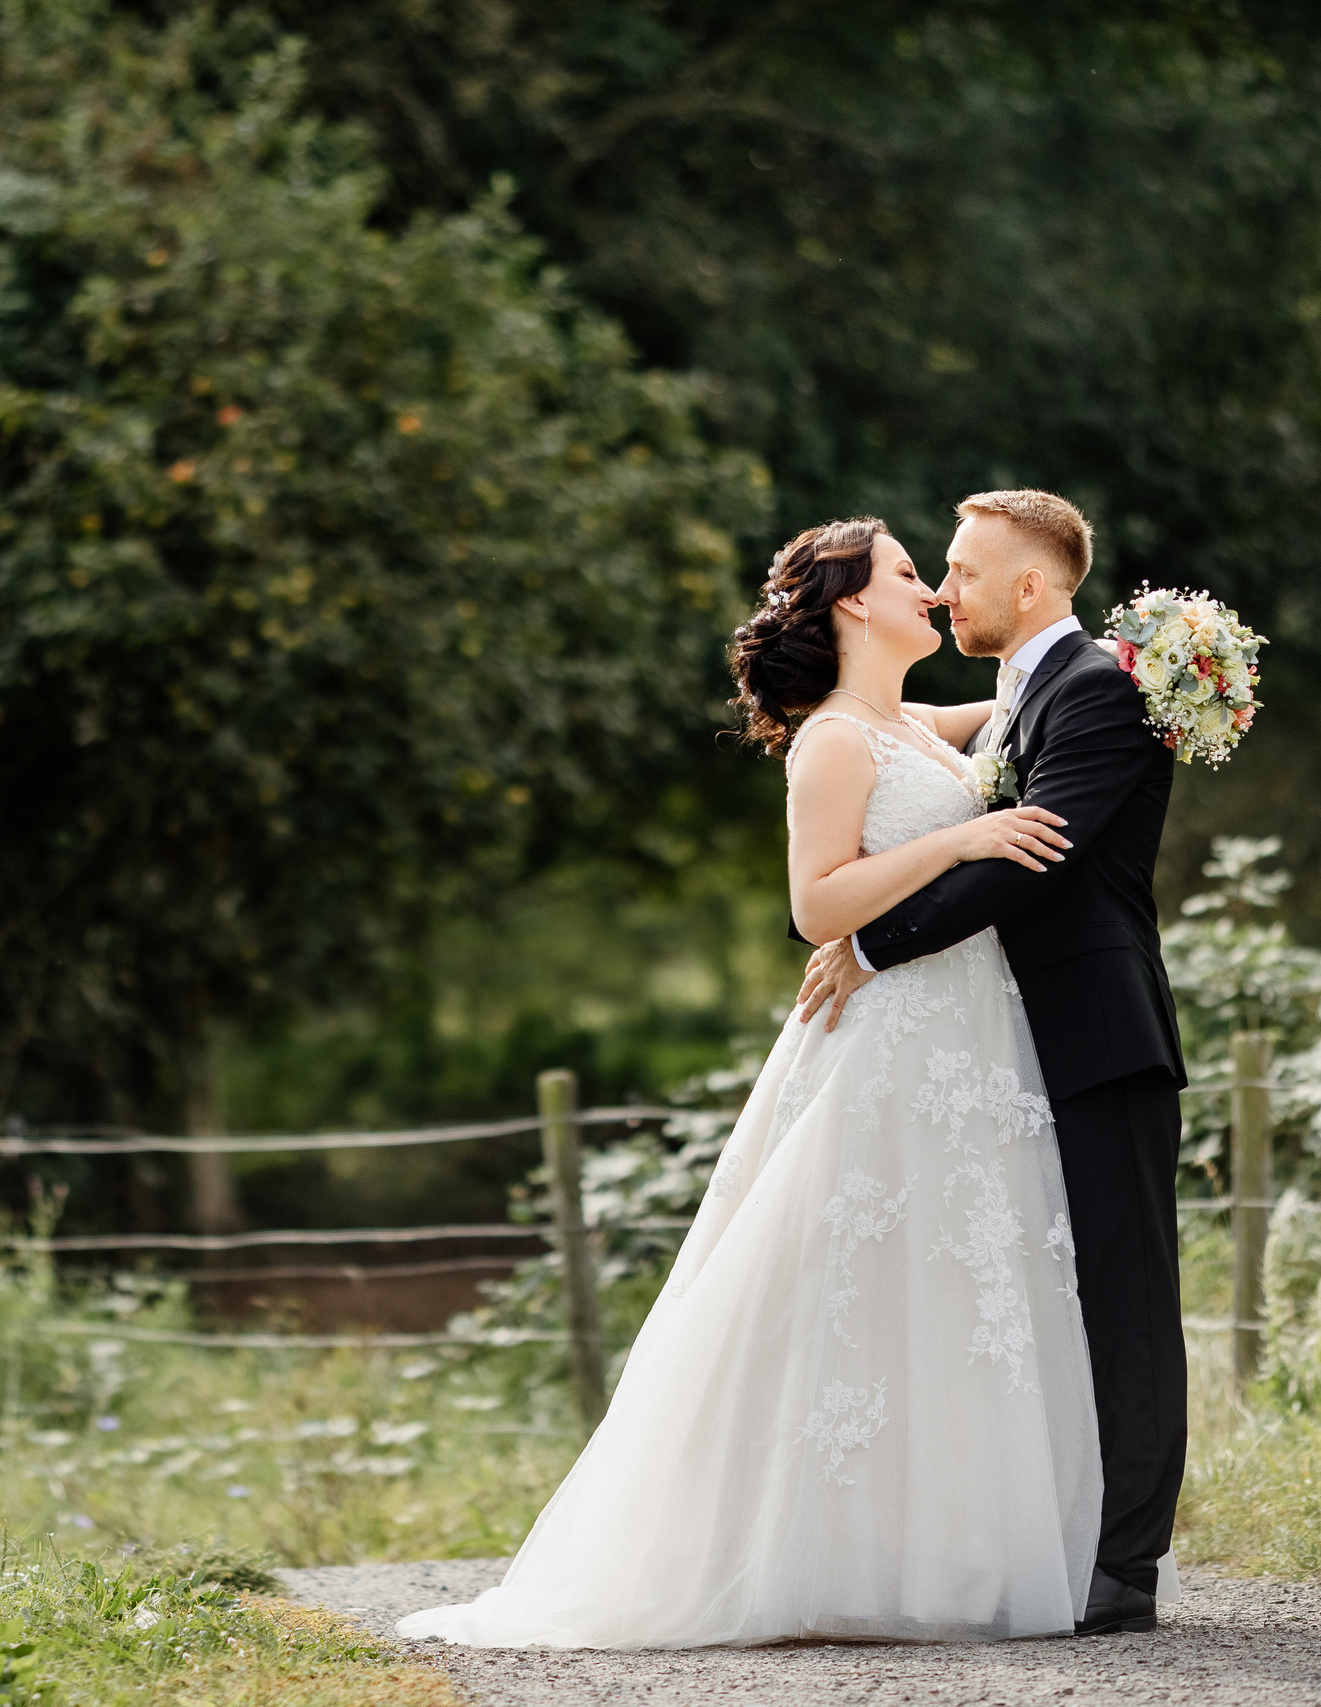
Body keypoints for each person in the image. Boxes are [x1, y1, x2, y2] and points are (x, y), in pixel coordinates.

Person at [396, 512, 1104, 1649]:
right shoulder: (834, 740)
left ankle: (934, 1554)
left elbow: (1036, 697)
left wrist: (1150, 661)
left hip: (966, 1040)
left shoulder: (917, 726)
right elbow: (816, 905)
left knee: (944, 1290)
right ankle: (782, 1552)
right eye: (910, 574)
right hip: (883, 1044)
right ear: (852, 602)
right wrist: (959, 843)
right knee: (843, 1284)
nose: (932, 590)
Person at [796, 489, 1187, 1638]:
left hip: (1098, 1036)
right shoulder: (1015, 697)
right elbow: (890, 747)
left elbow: (1031, 858)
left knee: (1123, 1299)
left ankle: (1123, 1568)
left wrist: (872, 945)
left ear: (1029, 584)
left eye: (963, 572)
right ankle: (1048, 1541)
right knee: (1045, 1303)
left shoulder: (1097, 690)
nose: (943, 589)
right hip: (1008, 1049)